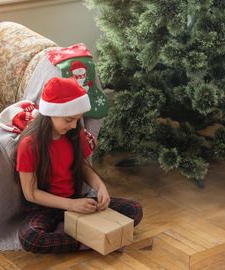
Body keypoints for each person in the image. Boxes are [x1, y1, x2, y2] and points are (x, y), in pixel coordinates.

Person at [16, 77, 143, 253]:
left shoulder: (75, 133)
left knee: (135, 210)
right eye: (69, 120)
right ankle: (88, 239)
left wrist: (100, 188)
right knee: (30, 238)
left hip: (77, 201)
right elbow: (30, 193)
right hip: (44, 208)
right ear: (51, 112)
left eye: (77, 119)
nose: (74, 125)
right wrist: (70, 205)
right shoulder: (30, 144)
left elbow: (82, 167)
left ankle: (79, 234)